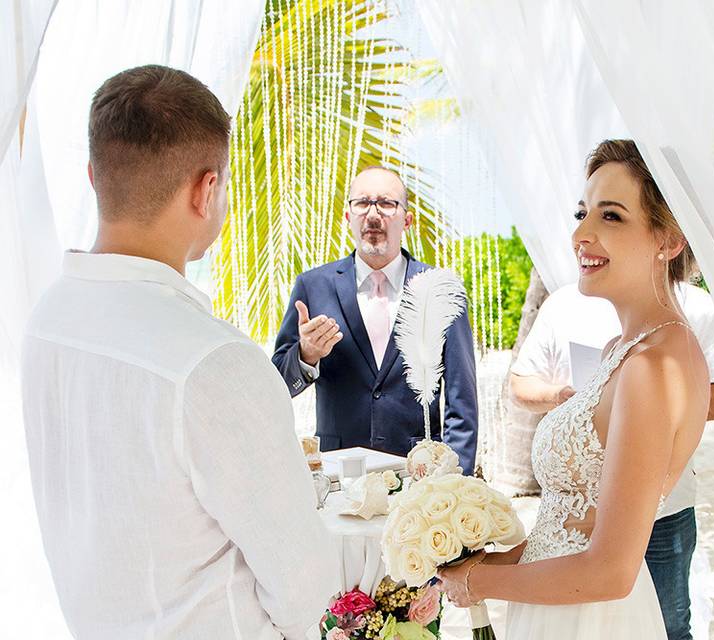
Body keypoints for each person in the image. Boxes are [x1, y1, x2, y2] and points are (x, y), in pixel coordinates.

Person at [20, 65, 333, 640]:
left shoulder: (45, 321)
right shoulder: (215, 360)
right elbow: (307, 589)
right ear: (206, 190)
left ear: (95, 176)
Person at [438, 139, 711, 639]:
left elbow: (610, 570)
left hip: (592, 622)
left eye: (611, 217)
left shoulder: (651, 366)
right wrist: (493, 560)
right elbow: (570, 524)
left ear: (668, 240)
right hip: (559, 608)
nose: (581, 234)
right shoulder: (621, 350)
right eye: (583, 213)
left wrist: (479, 582)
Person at [509, 282, 714, 639]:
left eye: (613, 220)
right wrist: (565, 398)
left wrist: (653, 408)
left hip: (663, 513)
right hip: (570, 524)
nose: (583, 236)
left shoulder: (691, 316)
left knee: (669, 624)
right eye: (580, 220)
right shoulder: (562, 304)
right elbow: (520, 381)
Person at [271, 166, 479, 473]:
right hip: (340, 471)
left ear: (407, 220)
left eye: (386, 203)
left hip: (418, 474)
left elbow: (462, 402)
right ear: (348, 217)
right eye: (362, 203)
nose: (373, 214)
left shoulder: (440, 289)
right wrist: (305, 356)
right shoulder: (312, 286)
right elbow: (277, 382)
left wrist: (452, 480)